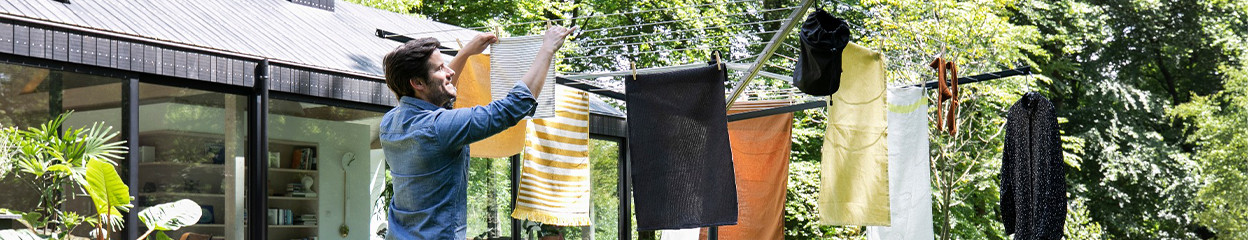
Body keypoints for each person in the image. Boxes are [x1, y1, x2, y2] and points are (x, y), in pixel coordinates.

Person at [379, 25, 575, 240]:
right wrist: (547, 49)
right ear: (417, 83)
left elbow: (433, 101)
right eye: (440, 68)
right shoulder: (438, 128)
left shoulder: (390, 122)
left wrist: (465, 53)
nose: (450, 72)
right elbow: (514, 107)